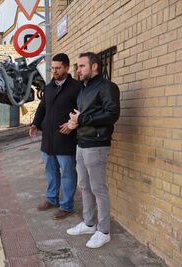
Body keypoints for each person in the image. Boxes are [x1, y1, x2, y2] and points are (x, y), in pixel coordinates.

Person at [66, 52, 120, 248]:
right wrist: (74, 122)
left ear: (94, 67)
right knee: (84, 185)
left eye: (81, 66)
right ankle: (89, 223)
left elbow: (112, 114)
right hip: (82, 143)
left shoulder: (107, 87)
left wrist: (82, 119)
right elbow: (84, 115)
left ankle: (103, 231)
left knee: (98, 188)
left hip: (97, 145)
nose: (78, 70)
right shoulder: (83, 89)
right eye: (77, 66)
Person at [29, 53, 80, 220]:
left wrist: (72, 124)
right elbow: (42, 107)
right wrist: (35, 124)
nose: (55, 71)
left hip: (65, 138)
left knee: (67, 173)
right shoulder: (49, 87)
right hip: (48, 138)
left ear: (66, 67)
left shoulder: (76, 87)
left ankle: (66, 206)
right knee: (50, 171)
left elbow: (82, 110)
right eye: (53, 68)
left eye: (58, 68)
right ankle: (51, 199)